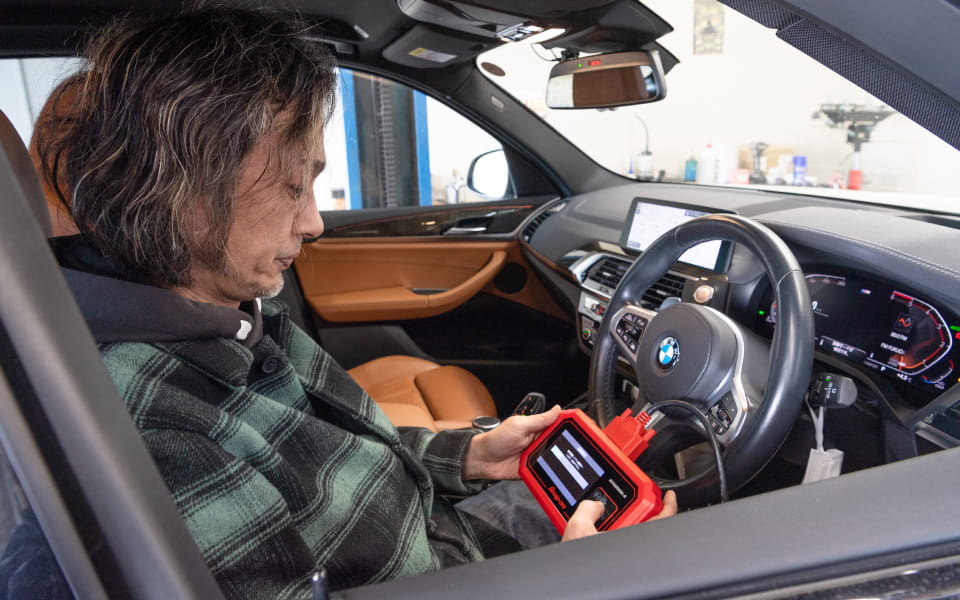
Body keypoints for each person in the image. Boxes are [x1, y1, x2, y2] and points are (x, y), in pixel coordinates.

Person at [35, 7, 676, 598]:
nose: (314, 223)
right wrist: (575, 581)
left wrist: (469, 456)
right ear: (185, 193)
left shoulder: (224, 304)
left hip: (441, 531)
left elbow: (336, 451)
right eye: (294, 186)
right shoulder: (153, 430)